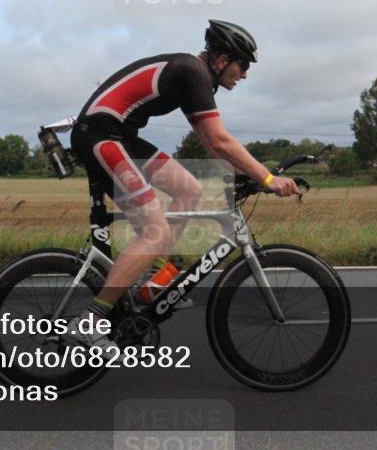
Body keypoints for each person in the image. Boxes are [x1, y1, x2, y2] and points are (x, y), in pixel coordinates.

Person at [69, 20, 300, 348]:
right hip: (100, 137)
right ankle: (90, 322)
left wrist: (245, 176)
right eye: (243, 65)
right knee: (155, 232)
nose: (246, 74)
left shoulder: (196, 76)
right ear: (222, 60)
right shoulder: (192, 71)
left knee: (189, 189)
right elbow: (220, 140)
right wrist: (268, 178)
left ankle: (155, 281)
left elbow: (209, 141)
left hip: (119, 136)